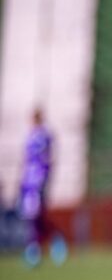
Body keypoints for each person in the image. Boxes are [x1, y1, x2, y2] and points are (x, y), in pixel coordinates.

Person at [18, 108, 67, 267]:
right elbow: (26, 161)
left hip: (38, 182)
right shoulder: (30, 136)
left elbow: (48, 159)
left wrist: (44, 179)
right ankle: (36, 250)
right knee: (32, 217)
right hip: (28, 183)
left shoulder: (45, 135)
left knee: (37, 216)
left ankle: (48, 244)